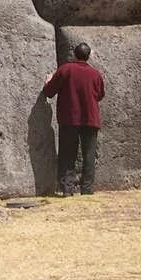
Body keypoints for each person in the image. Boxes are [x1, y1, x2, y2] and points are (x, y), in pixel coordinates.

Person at [42, 42, 105, 196]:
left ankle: (67, 189)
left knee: (67, 154)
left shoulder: (65, 70)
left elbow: (49, 92)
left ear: (74, 54)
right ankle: (87, 189)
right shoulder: (95, 74)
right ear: (88, 56)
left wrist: (47, 81)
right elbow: (100, 95)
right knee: (89, 155)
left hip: (69, 118)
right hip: (90, 119)